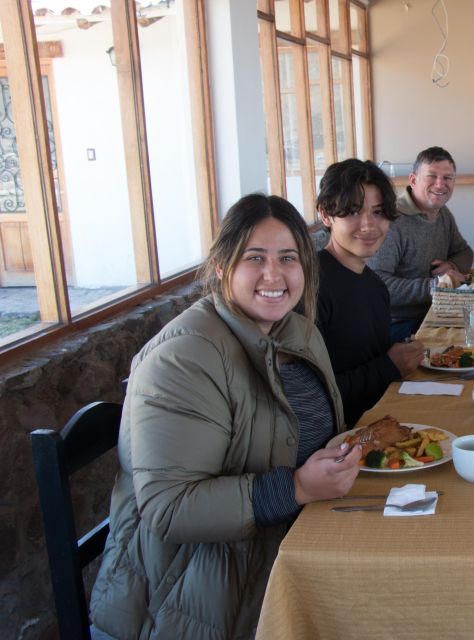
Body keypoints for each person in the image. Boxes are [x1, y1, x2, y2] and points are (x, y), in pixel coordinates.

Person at [89, 194, 361, 639]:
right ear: (220, 266)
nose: (274, 275)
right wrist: (294, 487)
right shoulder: (183, 358)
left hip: (284, 551)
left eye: (288, 258)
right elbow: (170, 508)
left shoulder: (296, 332)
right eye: (255, 258)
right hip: (190, 599)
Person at [315, 159, 424, 426]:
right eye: (353, 212)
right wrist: (388, 365)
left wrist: (401, 353)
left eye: (377, 212)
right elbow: (310, 394)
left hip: (382, 420)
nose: (368, 226)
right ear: (325, 215)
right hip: (339, 441)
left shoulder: (374, 285)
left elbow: (367, 357)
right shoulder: (311, 286)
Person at [367, 146, 474, 341]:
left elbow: (465, 252)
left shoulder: (443, 214)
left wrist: (452, 266)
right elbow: (378, 284)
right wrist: (437, 286)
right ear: (413, 180)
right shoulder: (392, 221)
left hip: (435, 314)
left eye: (447, 178)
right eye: (431, 176)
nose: (440, 184)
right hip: (397, 326)